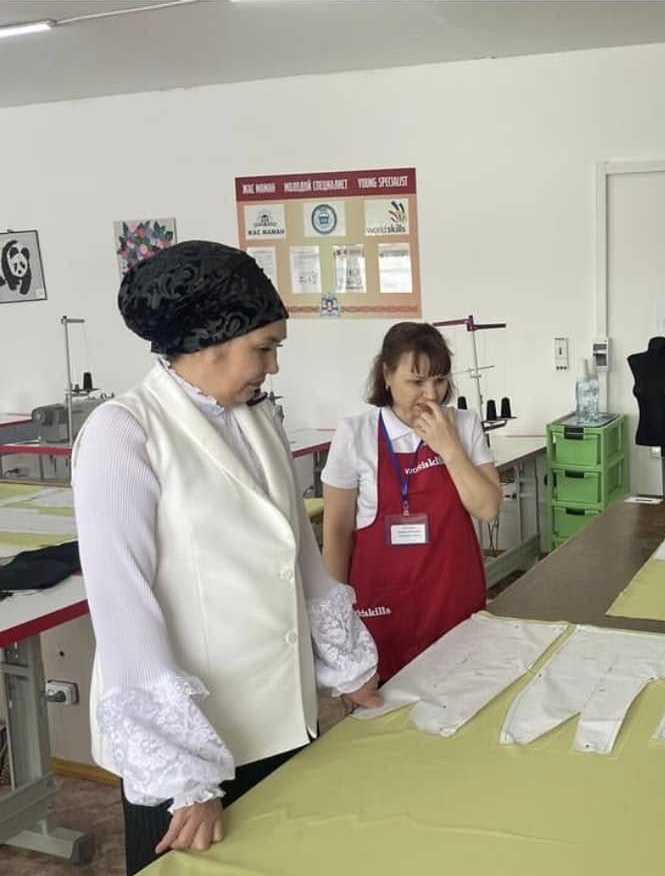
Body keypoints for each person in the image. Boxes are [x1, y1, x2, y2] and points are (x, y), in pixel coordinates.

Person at [72, 240, 380, 875]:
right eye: (263, 348)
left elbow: (300, 557)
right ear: (211, 338)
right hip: (196, 749)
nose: (272, 365)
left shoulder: (256, 417)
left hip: (282, 718)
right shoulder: (124, 432)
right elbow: (124, 609)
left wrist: (350, 668)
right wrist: (186, 776)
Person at [321, 322, 501, 680]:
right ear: (386, 375)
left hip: (452, 598)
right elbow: (337, 534)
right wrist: (338, 633)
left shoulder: (464, 425)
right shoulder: (355, 434)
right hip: (382, 606)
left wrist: (449, 447)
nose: (431, 394)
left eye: (440, 380)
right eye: (416, 382)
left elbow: (488, 508)